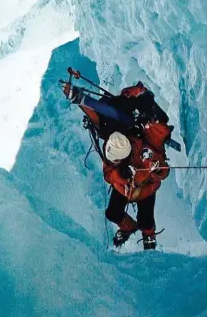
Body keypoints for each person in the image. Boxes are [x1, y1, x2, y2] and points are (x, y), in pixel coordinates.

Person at [64, 80, 171, 250]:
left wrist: (156, 169)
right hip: (123, 187)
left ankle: (148, 238)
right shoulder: (112, 147)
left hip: (145, 189)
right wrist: (121, 175)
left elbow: (164, 170)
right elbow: (108, 174)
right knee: (113, 213)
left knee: (146, 220)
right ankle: (129, 227)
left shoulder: (144, 150)